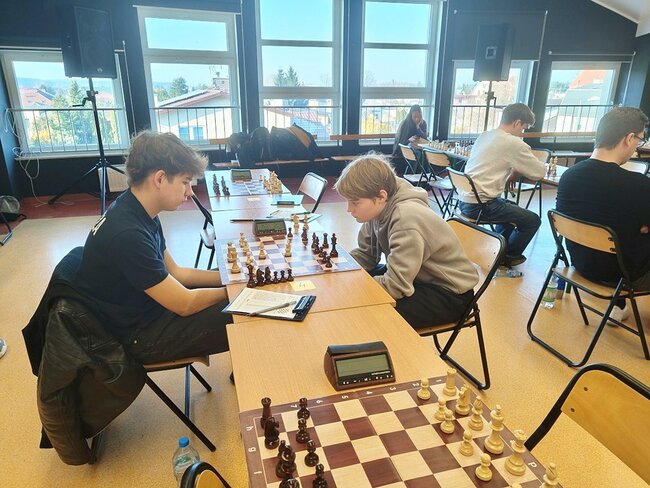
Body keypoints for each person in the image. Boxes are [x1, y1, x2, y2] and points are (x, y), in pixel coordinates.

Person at [75, 131, 230, 364]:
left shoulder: (139, 209)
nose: (190, 192)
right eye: (185, 182)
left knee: (237, 294)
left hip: (149, 308)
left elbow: (177, 273)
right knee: (245, 312)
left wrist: (230, 278)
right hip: (136, 337)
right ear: (159, 179)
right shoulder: (127, 234)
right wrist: (234, 291)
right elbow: (185, 304)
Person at [334, 152, 479, 329]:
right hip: (417, 278)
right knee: (354, 284)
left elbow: (396, 286)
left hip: (449, 293)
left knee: (370, 312)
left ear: (381, 197)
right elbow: (367, 256)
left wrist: (356, 289)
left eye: (355, 202)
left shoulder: (406, 218)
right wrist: (340, 269)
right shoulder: (378, 208)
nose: (349, 209)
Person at [556, 106, 650, 322]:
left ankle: (618, 306)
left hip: (581, 265)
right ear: (629, 138)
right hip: (625, 275)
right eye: (640, 140)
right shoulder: (638, 185)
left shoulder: (569, 177)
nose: (637, 148)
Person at [458, 103, 546, 266]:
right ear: (517, 122)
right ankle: (508, 256)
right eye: (523, 129)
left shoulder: (485, 135)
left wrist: (515, 170)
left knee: (511, 209)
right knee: (532, 220)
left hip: (464, 201)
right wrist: (518, 169)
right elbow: (539, 172)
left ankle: (499, 250)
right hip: (482, 206)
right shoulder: (513, 142)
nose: (521, 134)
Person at [392, 105, 429, 170]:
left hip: (419, 147)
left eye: (419, 116)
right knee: (415, 153)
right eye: (414, 117)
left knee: (426, 153)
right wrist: (409, 140)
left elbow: (424, 137)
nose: (417, 119)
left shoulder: (423, 123)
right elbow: (400, 142)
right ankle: (411, 173)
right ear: (411, 115)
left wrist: (418, 127)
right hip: (405, 148)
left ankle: (424, 173)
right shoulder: (405, 124)